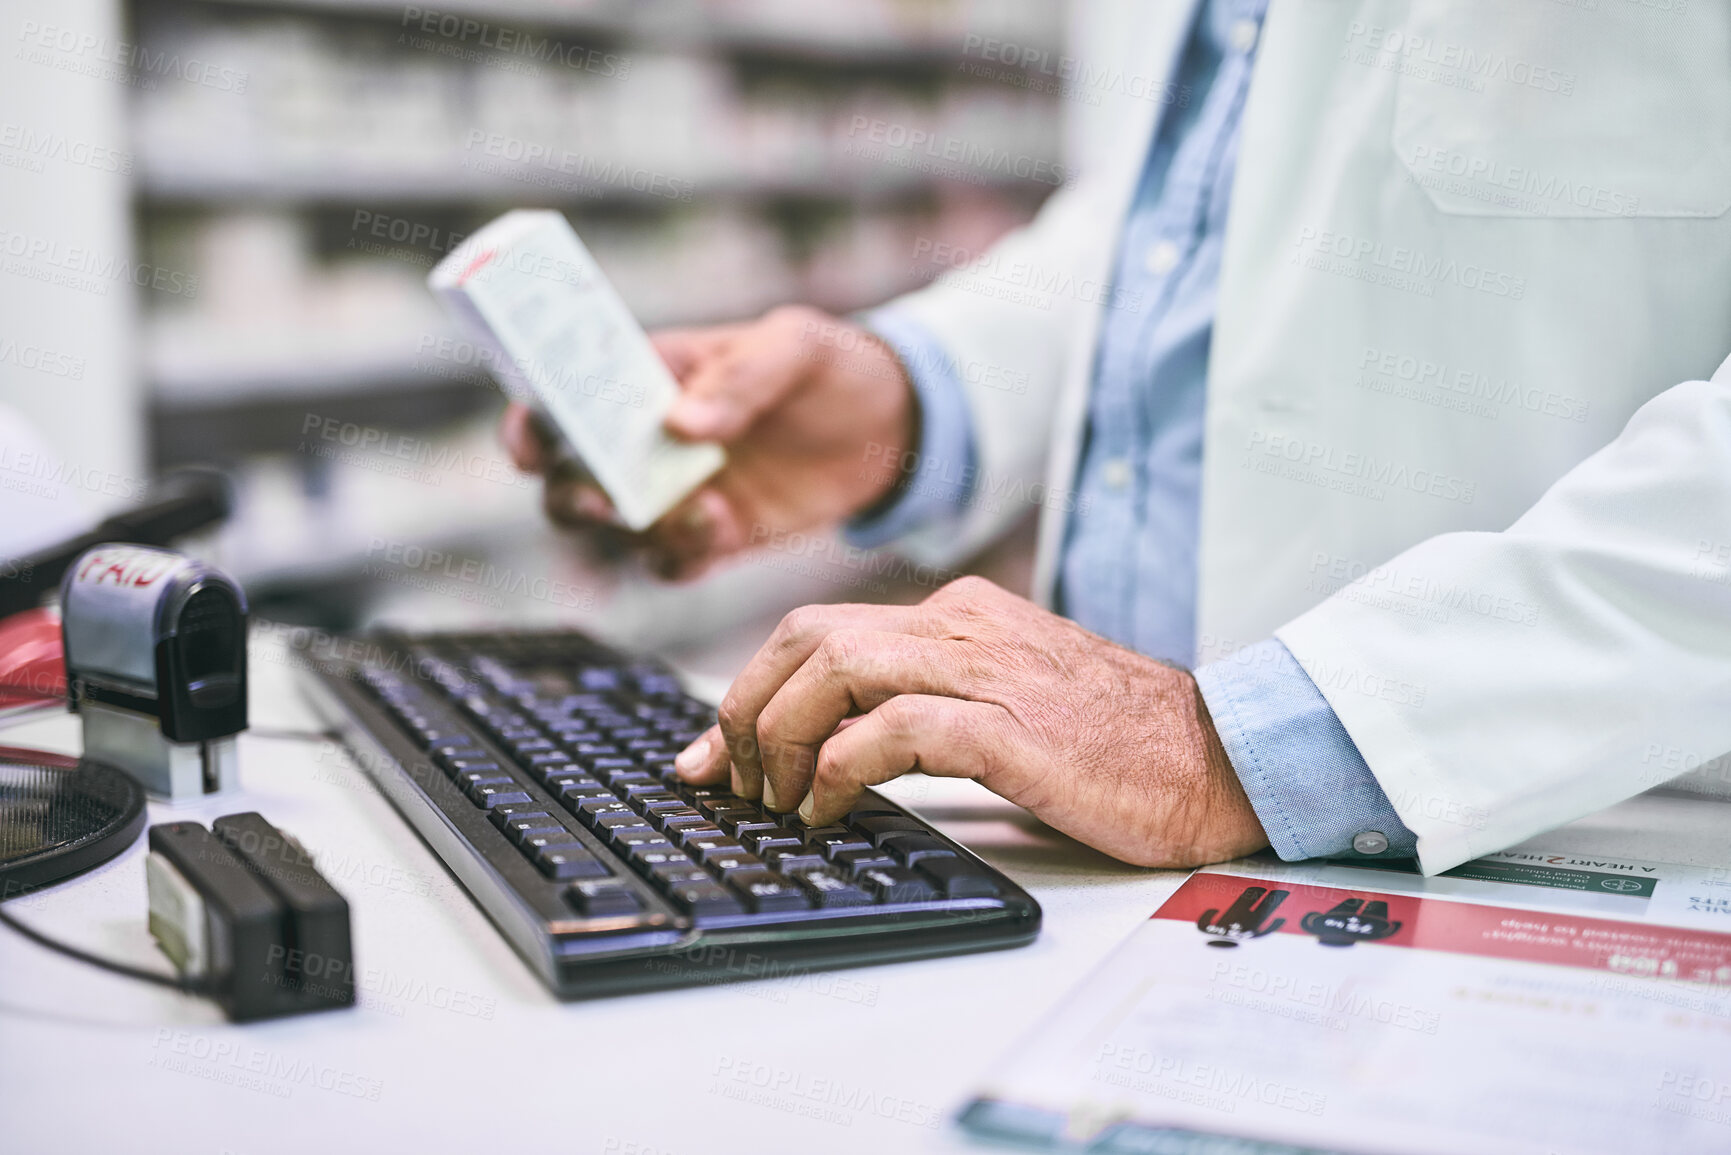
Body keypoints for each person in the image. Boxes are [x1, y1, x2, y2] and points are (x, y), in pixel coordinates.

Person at [503, 0, 1731, 875]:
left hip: (1556, 825)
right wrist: (912, 398)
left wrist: (1264, 741)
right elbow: (1176, 223)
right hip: (1097, 844)